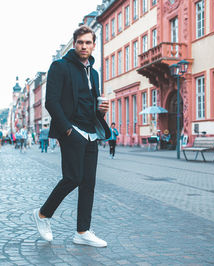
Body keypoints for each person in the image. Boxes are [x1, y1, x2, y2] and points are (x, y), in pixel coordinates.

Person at [33, 25, 111, 248]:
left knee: (88, 183)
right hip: (72, 131)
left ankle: (82, 231)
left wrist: (102, 112)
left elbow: (91, 105)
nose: (84, 46)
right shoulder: (60, 67)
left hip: (91, 132)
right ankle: (42, 215)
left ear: (94, 45)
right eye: (80, 42)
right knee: (73, 178)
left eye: (88, 42)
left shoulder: (94, 73)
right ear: (74, 43)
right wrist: (67, 130)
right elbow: (51, 102)